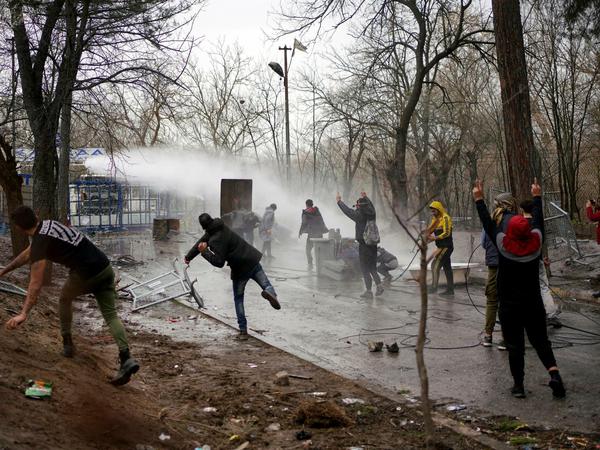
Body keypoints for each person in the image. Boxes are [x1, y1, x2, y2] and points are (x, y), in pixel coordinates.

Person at [0, 206, 139, 385]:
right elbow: (27, 254)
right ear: (35, 215)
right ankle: (126, 358)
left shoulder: (40, 242)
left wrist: (24, 313)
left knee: (64, 299)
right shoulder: (48, 225)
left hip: (85, 274)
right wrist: (4, 271)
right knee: (111, 315)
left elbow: (35, 284)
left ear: (19, 228)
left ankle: (67, 344)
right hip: (104, 268)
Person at [473, 179, 566, 399]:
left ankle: (519, 386)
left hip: (510, 307)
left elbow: (487, 222)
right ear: (529, 231)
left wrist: (479, 199)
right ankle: (554, 375)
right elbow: (539, 222)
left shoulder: (503, 244)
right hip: (533, 304)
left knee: (515, 346)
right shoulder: (536, 242)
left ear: (510, 232)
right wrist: (537, 197)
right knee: (541, 342)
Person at [185, 213, 281, 340]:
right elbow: (202, 241)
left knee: (239, 299)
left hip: (240, 269)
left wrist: (205, 252)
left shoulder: (214, 239)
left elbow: (219, 262)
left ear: (203, 227)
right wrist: (189, 256)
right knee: (266, 284)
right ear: (211, 220)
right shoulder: (221, 226)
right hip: (252, 259)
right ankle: (269, 292)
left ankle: (243, 331)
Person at [482, 192, 519, 349]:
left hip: (493, 264)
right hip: (509, 264)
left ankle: (488, 336)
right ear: (511, 205)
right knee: (507, 301)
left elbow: (483, 243)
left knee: (492, 300)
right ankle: (505, 338)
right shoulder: (515, 220)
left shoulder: (490, 219)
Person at [520, 199, 561, 328]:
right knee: (543, 287)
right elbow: (540, 241)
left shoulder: (518, 223)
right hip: (537, 260)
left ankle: (526, 315)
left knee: (524, 288)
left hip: (522, 262)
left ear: (522, 210)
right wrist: (542, 257)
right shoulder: (537, 224)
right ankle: (551, 314)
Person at [336, 191, 384, 299]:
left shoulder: (359, 215)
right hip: (373, 244)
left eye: (357, 205)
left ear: (359, 206)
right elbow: (370, 206)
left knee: (365, 268)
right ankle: (379, 286)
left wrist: (339, 202)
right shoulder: (372, 214)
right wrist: (366, 198)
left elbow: (348, 211)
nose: (356, 207)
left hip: (364, 245)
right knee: (372, 267)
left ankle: (369, 291)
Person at [426, 201, 454, 296]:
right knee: (447, 267)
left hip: (446, 247)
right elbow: (430, 231)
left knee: (435, 265)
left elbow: (447, 233)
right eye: (432, 211)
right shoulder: (435, 219)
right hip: (441, 247)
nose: (432, 213)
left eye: (434, 211)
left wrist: (434, 238)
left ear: (439, 209)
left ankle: (434, 288)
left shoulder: (445, 218)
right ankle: (450, 290)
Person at [299, 199, 329, 269]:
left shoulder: (305, 212)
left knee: (308, 250)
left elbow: (304, 223)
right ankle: (320, 264)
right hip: (319, 233)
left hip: (311, 234)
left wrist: (300, 231)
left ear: (306, 204)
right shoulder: (317, 211)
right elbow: (321, 221)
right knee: (319, 249)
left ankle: (310, 263)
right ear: (312, 204)